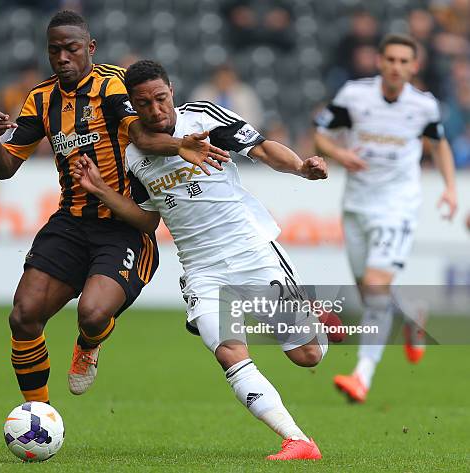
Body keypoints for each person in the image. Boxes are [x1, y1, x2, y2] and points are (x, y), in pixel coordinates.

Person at [73, 60, 332, 461]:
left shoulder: (204, 117)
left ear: (171, 91)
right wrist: (103, 191)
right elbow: (148, 219)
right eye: (144, 104)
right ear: (133, 106)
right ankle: (297, 440)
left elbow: (262, 148)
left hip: (250, 250)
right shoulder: (132, 157)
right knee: (229, 352)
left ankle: (313, 315)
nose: (155, 110)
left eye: (160, 99)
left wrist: (301, 167)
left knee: (307, 354)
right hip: (201, 269)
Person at [0, 11, 228, 402]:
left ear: (90, 48)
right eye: (54, 51)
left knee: (93, 314)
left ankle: (88, 345)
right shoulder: (40, 99)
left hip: (123, 224)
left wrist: (181, 145)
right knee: (23, 315)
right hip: (71, 222)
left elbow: (142, 136)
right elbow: (5, 168)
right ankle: (39, 414)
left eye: (71, 48)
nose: (62, 57)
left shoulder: (113, 85)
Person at [314, 34, 458, 403]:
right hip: (357, 204)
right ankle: (413, 316)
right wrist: (340, 155)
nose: (396, 66)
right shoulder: (353, 95)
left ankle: (361, 375)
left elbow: (439, 143)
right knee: (370, 294)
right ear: (379, 61)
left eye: (403, 61)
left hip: (398, 205)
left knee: (376, 288)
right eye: (390, 59)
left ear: (414, 66)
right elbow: (321, 137)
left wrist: (450, 188)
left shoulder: (423, 105)